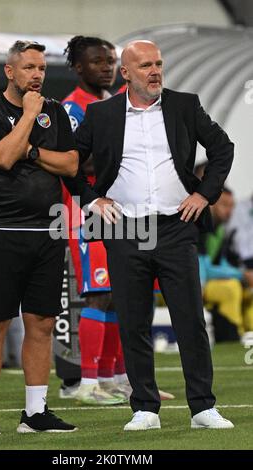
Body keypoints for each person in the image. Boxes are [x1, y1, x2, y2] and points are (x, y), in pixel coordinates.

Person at [68, 40, 235, 430]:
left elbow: (223, 148)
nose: (155, 70)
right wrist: (92, 201)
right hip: (124, 228)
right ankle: (144, 407)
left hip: (176, 226)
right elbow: (70, 162)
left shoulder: (185, 104)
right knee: (133, 319)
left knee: (190, 319)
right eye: (145, 65)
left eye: (158, 63)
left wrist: (204, 194)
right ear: (126, 73)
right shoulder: (101, 113)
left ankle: (202, 408)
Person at [0, 40, 78, 435]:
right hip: (1, 230)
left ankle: (35, 413)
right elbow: (0, 157)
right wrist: (29, 117)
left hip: (48, 232)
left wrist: (31, 151)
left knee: (43, 322)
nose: (37, 75)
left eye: (43, 69)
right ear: (9, 71)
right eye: (30, 67)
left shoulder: (56, 111)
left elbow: (70, 163)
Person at [61, 36, 174, 404]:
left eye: (110, 61)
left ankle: (117, 377)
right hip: (87, 211)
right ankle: (88, 382)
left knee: (126, 295)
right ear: (79, 67)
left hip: (122, 210)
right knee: (100, 293)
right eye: (98, 61)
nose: (106, 67)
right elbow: (74, 161)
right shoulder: (72, 108)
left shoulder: (113, 104)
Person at [199, 188, 253, 341]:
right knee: (231, 288)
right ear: (211, 204)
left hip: (208, 281)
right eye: (224, 205)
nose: (229, 210)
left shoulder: (221, 229)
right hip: (195, 284)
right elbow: (203, 267)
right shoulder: (200, 228)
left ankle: (248, 333)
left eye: (231, 206)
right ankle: (232, 336)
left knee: (246, 288)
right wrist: (241, 274)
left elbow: (221, 263)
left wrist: (243, 275)